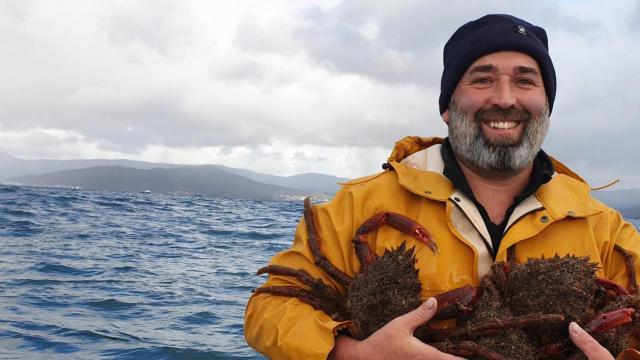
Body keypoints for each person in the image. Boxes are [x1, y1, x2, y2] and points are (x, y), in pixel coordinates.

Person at [244, 14, 640, 360]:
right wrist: (352, 354)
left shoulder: (602, 227)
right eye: (482, 78)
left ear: (546, 106)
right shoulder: (362, 205)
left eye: (526, 81)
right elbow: (270, 308)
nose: (504, 98)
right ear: (448, 108)